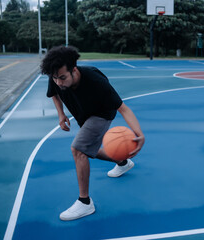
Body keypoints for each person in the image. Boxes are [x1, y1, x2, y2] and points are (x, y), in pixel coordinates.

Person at [40, 46, 145, 221]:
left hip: (102, 114)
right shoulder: (57, 74)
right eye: (55, 78)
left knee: (78, 149)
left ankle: (85, 202)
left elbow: (123, 109)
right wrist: (61, 114)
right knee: (89, 150)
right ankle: (122, 161)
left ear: (74, 70)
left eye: (63, 78)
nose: (58, 82)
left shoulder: (96, 81)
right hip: (83, 115)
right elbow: (54, 94)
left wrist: (139, 133)